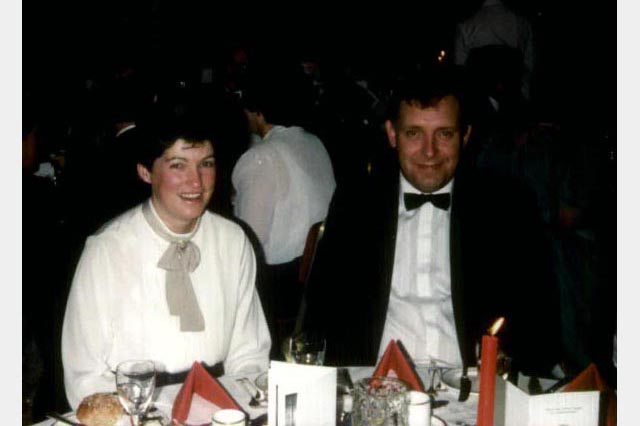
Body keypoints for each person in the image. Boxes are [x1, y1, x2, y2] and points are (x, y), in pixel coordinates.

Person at [298, 66, 562, 377]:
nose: (429, 151)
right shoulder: (356, 203)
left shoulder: (507, 206)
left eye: (444, 134)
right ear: (392, 134)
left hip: (473, 388)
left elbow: (540, 322)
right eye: (414, 133)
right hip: (377, 384)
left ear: (465, 136)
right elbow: (319, 311)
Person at [61, 101, 271, 409]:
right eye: (177, 165)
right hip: (136, 411)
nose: (196, 181)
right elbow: (85, 375)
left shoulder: (232, 240)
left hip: (218, 405)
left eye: (207, 163)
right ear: (146, 171)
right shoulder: (108, 250)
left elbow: (250, 355)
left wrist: (234, 410)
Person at [232, 72, 336, 358]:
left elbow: (248, 238)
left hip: (281, 286)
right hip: (318, 274)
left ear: (258, 111)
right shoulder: (313, 141)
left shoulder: (262, 157)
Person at [454, 0, 535, 100]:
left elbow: (460, 68)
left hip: (479, 99)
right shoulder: (521, 23)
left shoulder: (466, 26)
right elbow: (528, 65)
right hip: (511, 96)